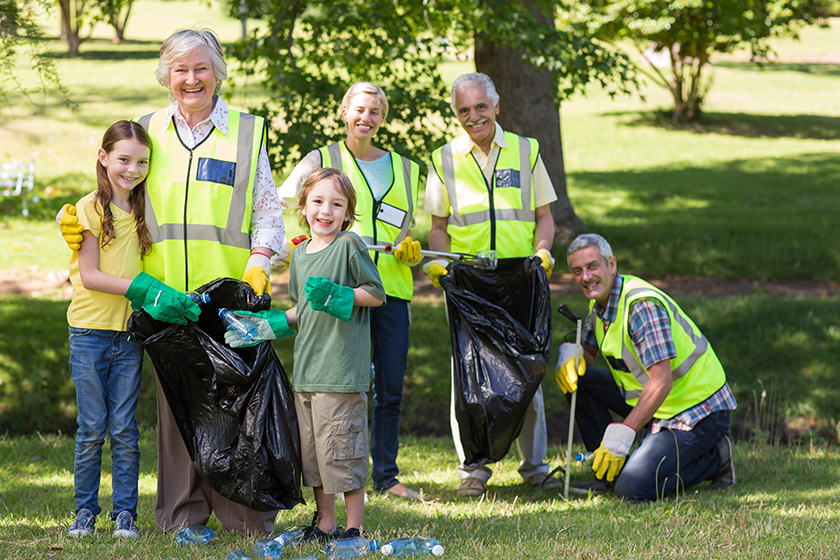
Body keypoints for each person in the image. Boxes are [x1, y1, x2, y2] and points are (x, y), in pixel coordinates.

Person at [59, 28, 285, 534]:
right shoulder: (146, 129)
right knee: (177, 411)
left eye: (201, 68)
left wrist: (260, 261)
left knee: (235, 408)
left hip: (227, 299)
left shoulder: (247, 132)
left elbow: (269, 212)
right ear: (165, 75)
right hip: (163, 300)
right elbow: (111, 192)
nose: (191, 79)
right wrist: (69, 217)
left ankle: (244, 516)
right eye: (179, 69)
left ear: (218, 72)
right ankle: (182, 517)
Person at [276, 82, 422, 499]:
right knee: (341, 386)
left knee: (389, 387)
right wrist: (293, 247)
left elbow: (410, 230)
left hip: (389, 289)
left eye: (375, 111)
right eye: (360, 109)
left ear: (383, 118)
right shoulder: (320, 159)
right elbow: (285, 202)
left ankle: (387, 475)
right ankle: (333, 472)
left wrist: (412, 253)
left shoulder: (407, 168)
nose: (367, 118)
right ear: (344, 111)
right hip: (333, 294)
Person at [226, 168, 385, 540]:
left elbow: (376, 293)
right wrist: (267, 326)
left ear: (348, 213)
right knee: (313, 458)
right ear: (303, 207)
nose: (325, 210)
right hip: (308, 374)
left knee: (343, 453)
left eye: (336, 204)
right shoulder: (299, 254)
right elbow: (302, 309)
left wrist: (338, 296)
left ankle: (353, 527)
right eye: (317, 201)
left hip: (342, 372)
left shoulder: (350, 246)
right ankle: (325, 522)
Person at [423, 72, 561, 496]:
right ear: (456, 114)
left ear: (497, 106)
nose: (474, 116)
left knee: (528, 369)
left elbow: (544, 217)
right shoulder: (443, 158)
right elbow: (438, 227)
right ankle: (474, 470)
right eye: (464, 110)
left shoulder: (526, 150)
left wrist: (542, 254)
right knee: (467, 374)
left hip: (520, 278)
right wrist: (441, 266)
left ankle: (534, 466)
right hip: (468, 281)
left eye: (481, 106)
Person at [556, 233, 737, 500]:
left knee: (633, 489)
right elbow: (589, 355)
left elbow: (662, 381)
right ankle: (607, 472)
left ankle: (716, 458)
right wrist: (571, 356)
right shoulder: (601, 303)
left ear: (612, 265)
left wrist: (624, 434)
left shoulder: (640, 306)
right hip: (658, 403)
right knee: (580, 380)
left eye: (593, 266)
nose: (586, 277)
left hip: (695, 411)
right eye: (577, 271)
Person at [66, 120, 164, 539]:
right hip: (89, 332)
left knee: (124, 428)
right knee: (92, 428)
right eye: (123, 159)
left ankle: (126, 513)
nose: (132, 169)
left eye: (142, 161)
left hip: (128, 335)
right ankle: (85, 511)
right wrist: (142, 288)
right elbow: (90, 276)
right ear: (104, 158)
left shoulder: (146, 208)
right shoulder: (87, 210)